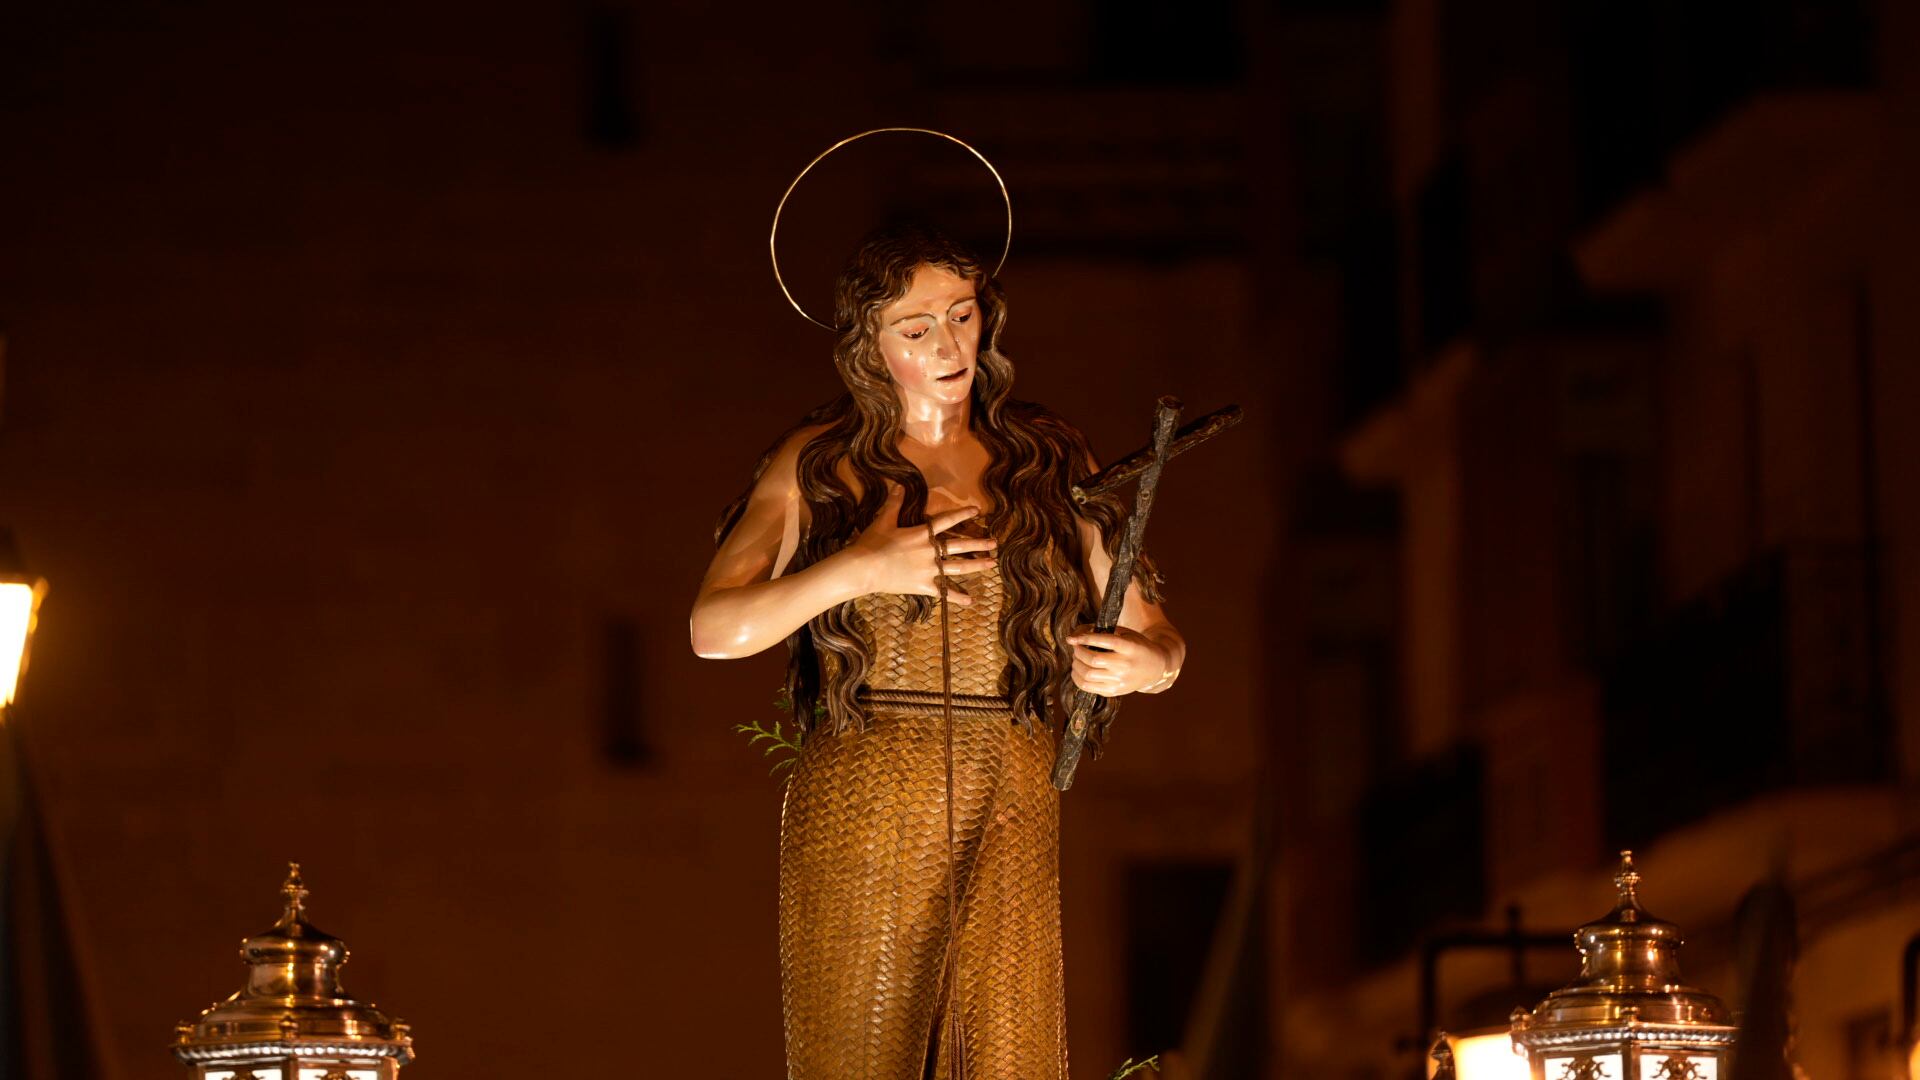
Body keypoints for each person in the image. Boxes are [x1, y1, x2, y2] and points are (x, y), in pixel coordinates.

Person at [690, 224, 1185, 1079]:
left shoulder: (1045, 456)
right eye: (916, 329)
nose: (949, 346)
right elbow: (713, 629)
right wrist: (863, 566)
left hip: (1013, 776)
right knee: (865, 1042)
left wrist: (1150, 664)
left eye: (962, 315)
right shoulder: (826, 462)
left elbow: (1154, 629)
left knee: (1010, 1048)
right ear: (870, 345)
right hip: (872, 776)